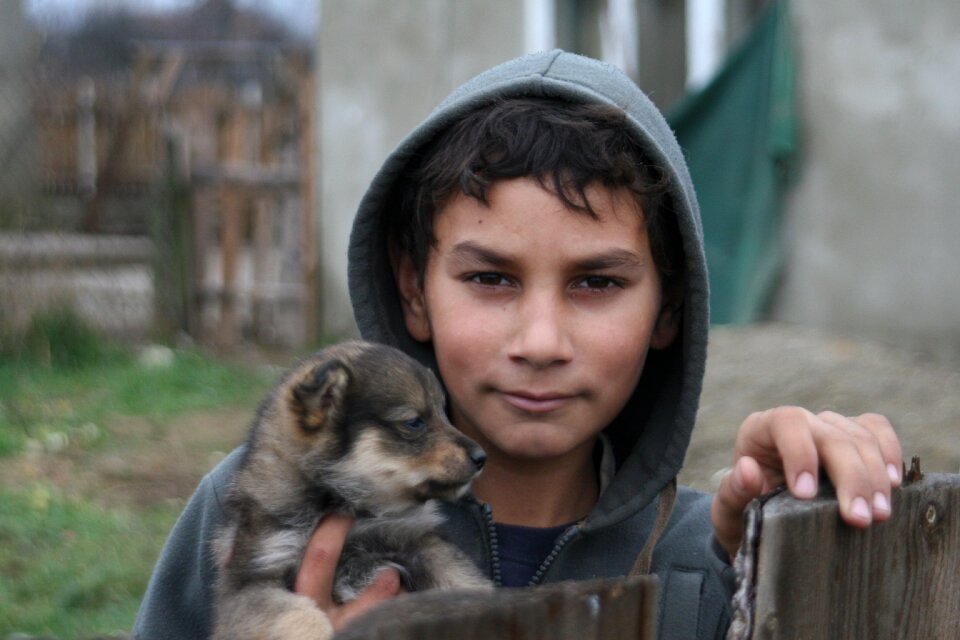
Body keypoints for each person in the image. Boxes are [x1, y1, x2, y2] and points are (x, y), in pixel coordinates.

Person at [133, 50, 902, 639]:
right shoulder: (261, 506)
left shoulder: (716, 557)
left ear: (670, 306)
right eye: (491, 279)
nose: (541, 341)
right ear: (413, 290)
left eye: (596, 282)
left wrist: (798, 551)